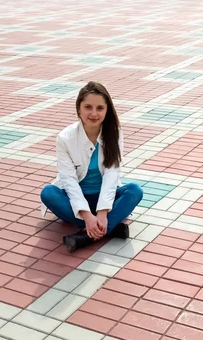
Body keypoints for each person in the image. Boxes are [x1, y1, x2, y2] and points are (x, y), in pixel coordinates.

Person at [40, 81, 143, 252]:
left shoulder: (114, 134)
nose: (94, 113)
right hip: (75, 199)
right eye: (88, 107)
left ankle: (86, 236)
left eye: (100, 108)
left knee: (135, 190)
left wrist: (102, 212)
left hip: (104, 198)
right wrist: (87, 216)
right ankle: (109, 227)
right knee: (48, 193)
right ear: (78, 109)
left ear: (107, 110)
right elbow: (69, 180)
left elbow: (112, 175)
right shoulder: (65, 138)